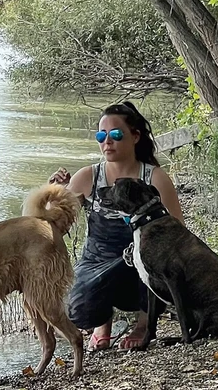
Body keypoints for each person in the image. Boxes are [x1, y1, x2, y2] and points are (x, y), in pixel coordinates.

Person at [49, 101, 184, 351]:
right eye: (101, 135)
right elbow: (55, 226)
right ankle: (103, 324)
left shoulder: (154, 177)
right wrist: (53, 193)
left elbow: (178, 233)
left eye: (116, 135)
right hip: (97, 261)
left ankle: (144, 323)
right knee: (75, 309)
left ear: (135, 136)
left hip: (141, 263)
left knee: (154, 264)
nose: (107, 142)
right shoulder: (88, 176)